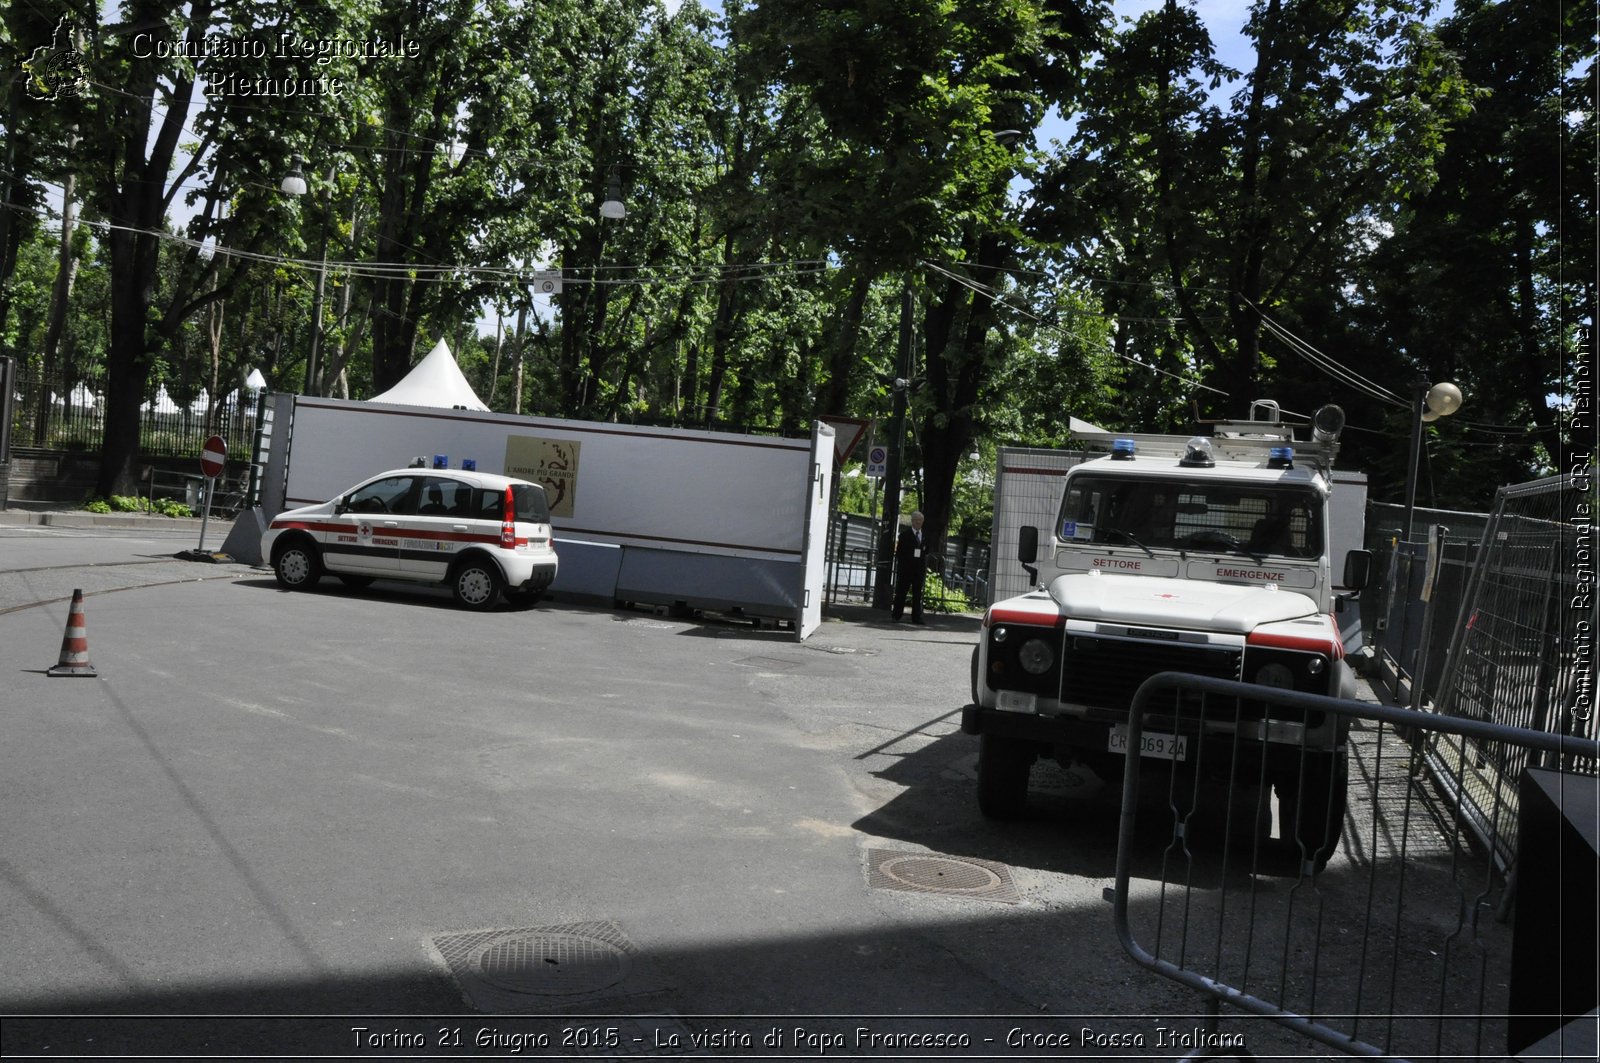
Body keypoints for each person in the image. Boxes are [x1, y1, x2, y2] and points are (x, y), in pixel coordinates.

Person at [893, 511, 928, 624]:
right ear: (912, 521)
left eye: (920, 520)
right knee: (901, 592)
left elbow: (927, 550)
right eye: (916, 519)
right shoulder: (904, 535)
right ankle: (897, 615)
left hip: (919, 570)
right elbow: (899, 553)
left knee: (917, 594)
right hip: (906, 569)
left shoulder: (925, 535)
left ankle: (916, 617)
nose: (918, 522)